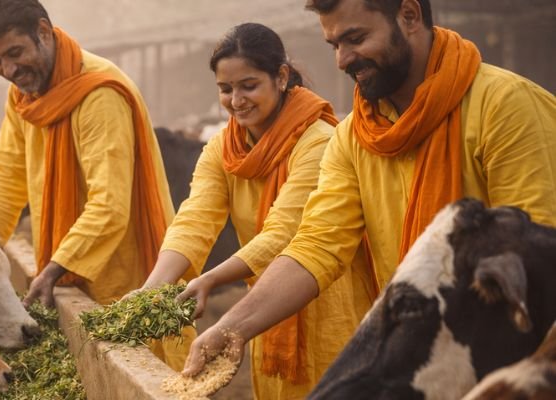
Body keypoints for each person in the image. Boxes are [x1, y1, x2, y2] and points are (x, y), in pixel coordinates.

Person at [182, 0, 556, 393]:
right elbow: (317, 245)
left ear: (409, 15)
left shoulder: (505, 108)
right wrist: (231, 327)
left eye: (356, 38)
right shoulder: (354, 137)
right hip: (422, 364)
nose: (343, 59)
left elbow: (540, 264)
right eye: (334, 45)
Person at [136, 23, 372, 399]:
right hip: (263, 311)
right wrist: (150, 290)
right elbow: (194, 219)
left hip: (331, 310)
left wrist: (211, 279)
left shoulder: (321, 143)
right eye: (225, 89)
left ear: (281, 77)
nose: (236, 100)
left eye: (248, 86)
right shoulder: (223, 147)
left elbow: (284, 234)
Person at [0, 0, 192, 370]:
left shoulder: (98, 94)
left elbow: (110, 206)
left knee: (142, 368)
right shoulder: (23, 96)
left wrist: (55, 269)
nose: (8, 70)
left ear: (43, 32)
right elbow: (6, 179)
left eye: (15, 53)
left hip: (125, 277)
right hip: (64, 268)